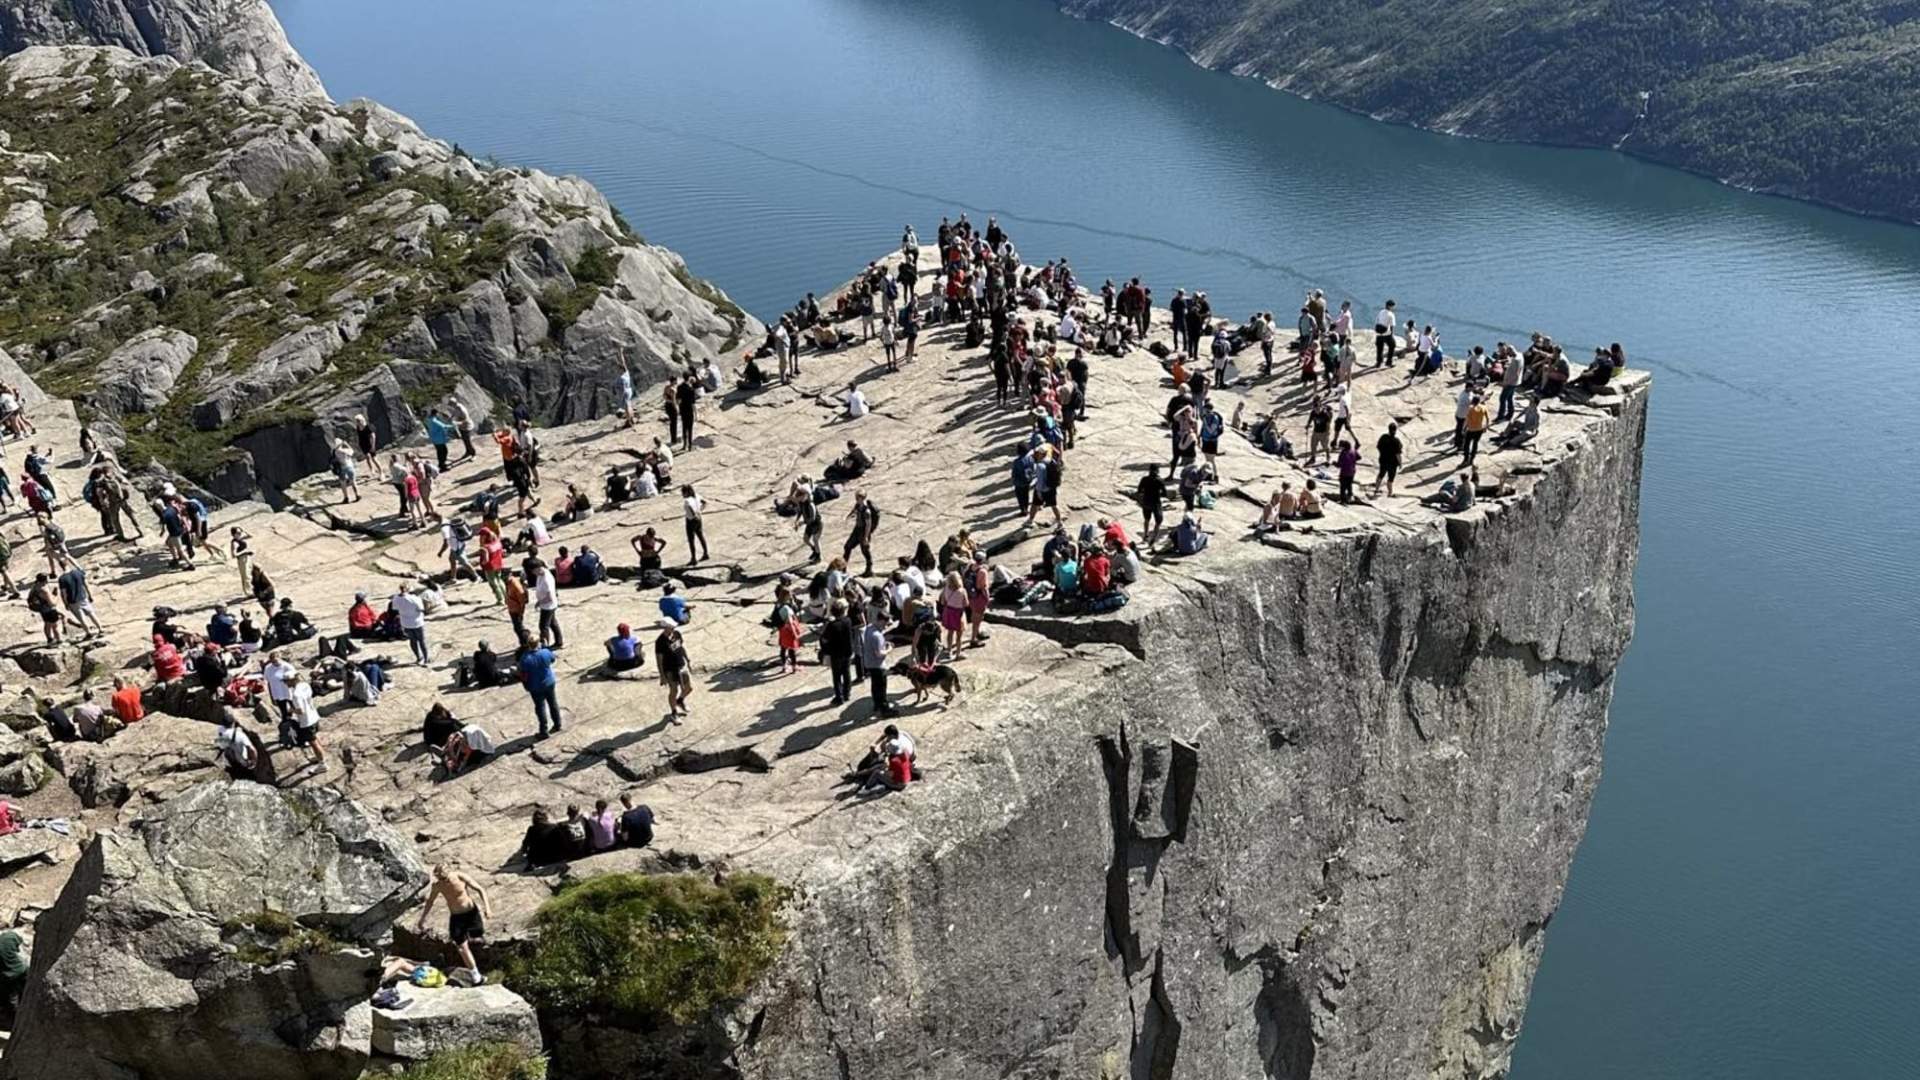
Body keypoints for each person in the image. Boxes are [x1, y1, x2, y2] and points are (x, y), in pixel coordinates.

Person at [415, 865, 491, 986]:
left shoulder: (460, 876)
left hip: (471, 913)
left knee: (478, 939)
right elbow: (430, 902)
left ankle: (488, 967)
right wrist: (422, 919)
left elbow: (480, 889)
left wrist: (487, 908)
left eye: (446, 878)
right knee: (461, 947)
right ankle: (476, 976)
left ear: (449, 872)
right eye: (441, 879)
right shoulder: (438, 886)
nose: (445, 881)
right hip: (456, 918)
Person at [517, 632, 562, 738]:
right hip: (549, 682)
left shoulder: (525, 658)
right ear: (538, 643)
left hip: (535, 686)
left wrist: (525, 684)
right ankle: (557, 724)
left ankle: (544, 731)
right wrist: (545, 647)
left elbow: (523, 673)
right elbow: (552, 659)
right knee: (553, 703)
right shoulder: (545, 652)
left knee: (540, 708)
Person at [286, 671, 325, 770]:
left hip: (307, 721)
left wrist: (291, 710)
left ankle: (322, 764)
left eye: (286, 681)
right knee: (315, 738)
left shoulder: (295, 694)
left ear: (292, 680)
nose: (285, 683)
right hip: (314, 715)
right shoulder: (304, 685)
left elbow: (301, 711)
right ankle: (320, 757)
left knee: (313, 743)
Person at [820, 599, 856, 705]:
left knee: (836, 676)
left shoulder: (832, 625)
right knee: (846, 673)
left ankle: (839, 696)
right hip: (847, 651)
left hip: (836, 654)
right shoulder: (848, 621)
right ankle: (847, 693)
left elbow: (825, 638)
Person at [860, 613, 895, 717]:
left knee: (875, 686)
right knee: (881, 688)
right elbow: (879, 654)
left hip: (869, 662)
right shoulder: (877, 636)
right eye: (886, 624)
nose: (886, 626)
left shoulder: (869, 628)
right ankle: (884, 709)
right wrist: (889, 649)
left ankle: (877, 705)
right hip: (878, 665)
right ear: (881, 621)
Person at [655, 620, 691, 717]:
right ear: (665, 628)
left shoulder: (676, 634)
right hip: (670, 670)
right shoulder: (660, 641)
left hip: (681, 665)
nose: (673, 628)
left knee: (688, 688)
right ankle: (674, 712)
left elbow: (681, 647)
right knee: (674, 691)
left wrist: (687, 659)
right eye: (671, 627)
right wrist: (662, 675)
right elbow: (659, 660)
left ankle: (680, 701)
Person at [389, 586, 430, 665]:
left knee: (412, 641)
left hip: (406, 623)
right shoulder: (415, 598)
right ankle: (426, 659)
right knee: (421, 641)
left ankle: (418, 657)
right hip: (417, 622)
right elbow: (421, 609)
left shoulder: (396, 598)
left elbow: (394, 608)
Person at [842, 491, 880, 576]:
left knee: (865, 551)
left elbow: (868, 525)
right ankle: (843, 568)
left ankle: (869, 569)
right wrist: (849, 516)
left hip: (863, 532)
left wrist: (866, 537)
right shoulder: (858, 505)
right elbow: (854, 510)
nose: (855, 499)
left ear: (862, 498)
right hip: (857, 530)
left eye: (857, 497)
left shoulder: (867, 511)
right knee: (847, 547)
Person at [533, 559, 563, 648]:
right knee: (553, 623)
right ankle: (559, 641)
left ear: (538, 568)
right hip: (546, 604)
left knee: (543, 626)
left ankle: (544, 645)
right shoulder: (541, 574)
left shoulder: (546, 578)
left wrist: (540, 602)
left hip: (548, 606)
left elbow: (549, 596)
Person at [680, 484, 710, 564]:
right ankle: (705, 553)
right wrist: (700, 511)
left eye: (683, 492)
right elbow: (705, 503)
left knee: (691, 540)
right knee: (700, 536)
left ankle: (693, 558)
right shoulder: (696, 496)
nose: (682, 494)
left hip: (691, 520)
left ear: (686, 492)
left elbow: (690, 507)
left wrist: (694, 515)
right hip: (699, 519)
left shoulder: (687, 500)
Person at [1373, 422, 1404, 497]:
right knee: (1390, 479)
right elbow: (1398, 454)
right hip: (1393, 463)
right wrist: (1400, 463)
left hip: (1383, 460)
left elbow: (1378, 447)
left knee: (1381, 475)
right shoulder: (1396, 441)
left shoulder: (1383, 437)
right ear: (1395, 430)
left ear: (1388, 429)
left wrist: (1382, 453)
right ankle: (1390, 493)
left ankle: (1376, 489)